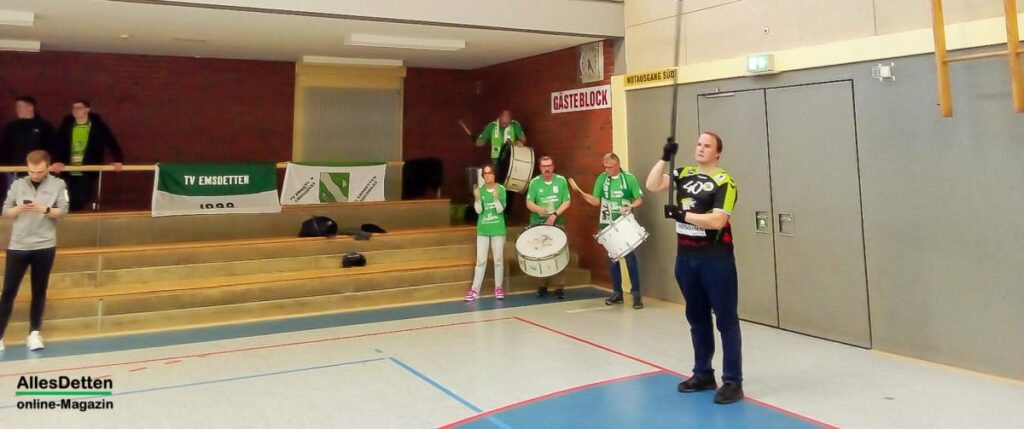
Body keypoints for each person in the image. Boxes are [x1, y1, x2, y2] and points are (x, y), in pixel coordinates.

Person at [645, 132, 743, 405]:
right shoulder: (684, 173)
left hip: (716, 259)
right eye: (699, 144)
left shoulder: (725, 181)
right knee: (697, 317)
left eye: (707, 146)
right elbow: (653, 184)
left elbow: (718, 221)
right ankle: (703, 374)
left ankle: (733, 381)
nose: (701, 148)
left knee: (726, 320)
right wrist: (664, 157)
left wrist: (682, 215)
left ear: (718, 153)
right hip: (686, 258)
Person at [0, 150, 69, 352]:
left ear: (47, 167)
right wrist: (19, 208)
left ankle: (34, 334)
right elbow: (6, 211)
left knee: (39, 291)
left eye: (39, 171)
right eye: (31, 171)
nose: (35, 175)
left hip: (44, 246)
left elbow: (63, 211)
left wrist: (44, 209)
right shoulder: (17, 185)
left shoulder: (58, 185)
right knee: (8, 291)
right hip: (18, 246)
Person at [572, 152, 645, 309]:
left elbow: (639, 199)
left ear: (618, 165)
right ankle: (617, 293)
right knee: (612, 260)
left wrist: (631, 206)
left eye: (610, 167)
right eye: (605, 167)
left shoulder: (628, 178)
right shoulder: (602, 178)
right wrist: (581, 194)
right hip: (607, 224)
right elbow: (596, 201)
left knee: (630, 258)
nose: (607, 170)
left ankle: (637, 294)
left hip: (624, 223)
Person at [53, 99, 125, 211]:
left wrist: (118, 159)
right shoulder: (67, 124)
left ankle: (72, 214)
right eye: (74, 108)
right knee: (67, 196)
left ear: (87, 109)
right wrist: (56, 161)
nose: (76, 110)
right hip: (68, 168)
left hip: (88, 167)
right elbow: (58, 143)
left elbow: (110, 141)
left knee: (82, 196)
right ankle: (69, 215)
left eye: (79, 108)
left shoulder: (97, 125)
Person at [525, 156, 570, 298]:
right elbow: (529, 203)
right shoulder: (534, 182)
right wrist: (537, 209)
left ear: (553, 166)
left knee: (558, 254)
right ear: (540, 168)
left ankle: (559, 287)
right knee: (540, 254)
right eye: (544, 166)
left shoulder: (561, 181)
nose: (547, 169)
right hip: (538, 223)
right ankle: (542, 286)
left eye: (549, 165)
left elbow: (567, 201)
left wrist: (555, 214)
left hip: (557, 223)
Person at [464, 164, 507, 302]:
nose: (488, 176)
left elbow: (500, 210)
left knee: (498, 260)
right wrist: (477, 198)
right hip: (483, 230)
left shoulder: (501, 189)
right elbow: (479, 211)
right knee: (481, 260)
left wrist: (496, 199)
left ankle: (498, 287)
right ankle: (475, 289)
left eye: (490, 173)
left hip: (498, 229)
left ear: (494, 174)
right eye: (485, 173)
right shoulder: (480, 190)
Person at [0, 96, 56, 201]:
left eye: (20, 106)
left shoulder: (44, 126)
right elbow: (4, 149)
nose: (18, 109)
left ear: (30, 107)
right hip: (14, 172)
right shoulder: (11, 128)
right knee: (15, 201)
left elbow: (51, 148)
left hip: (37, 172)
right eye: (17, 107)